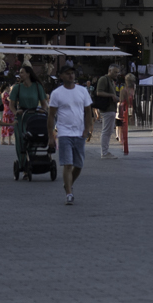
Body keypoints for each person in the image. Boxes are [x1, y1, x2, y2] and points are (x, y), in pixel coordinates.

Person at [47, 65, 95, 205]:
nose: (71, 76)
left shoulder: (82, 91)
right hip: (64, 133)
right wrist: (51, 135)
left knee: (79, 165)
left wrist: (87, 129)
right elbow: (51, 116)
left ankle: (68, 183)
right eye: (67, 74)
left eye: (72, 73)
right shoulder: (57, 93)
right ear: (61, 76)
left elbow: (88, 111)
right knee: (67, 164)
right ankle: (69, 193)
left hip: (79, 132)